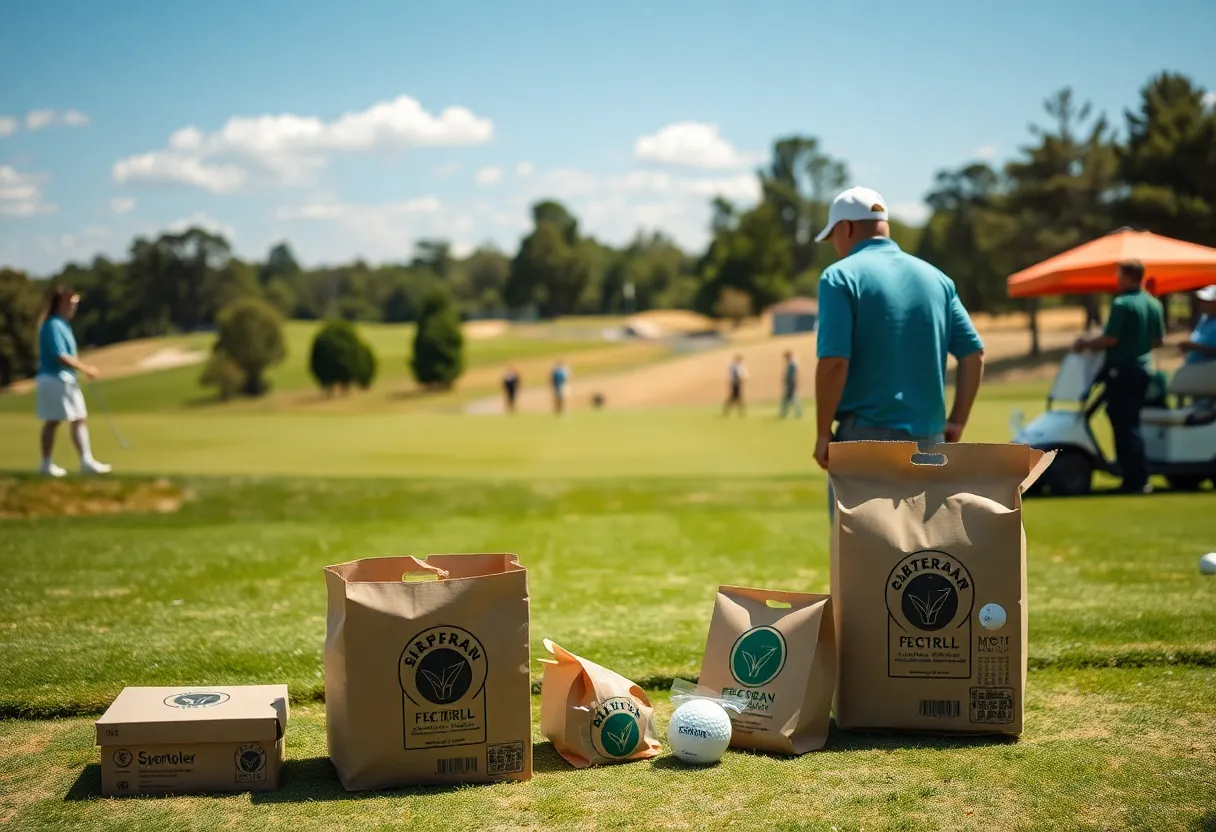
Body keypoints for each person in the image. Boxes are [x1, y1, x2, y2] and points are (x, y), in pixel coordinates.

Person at [813, 186, 985, 482]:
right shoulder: (938, 279)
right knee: (921, 530)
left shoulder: (839, 276)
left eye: (833, 237)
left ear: (847, 228)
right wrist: (956, 421)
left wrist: (822, 431)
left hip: (865, 442)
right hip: (931, 442)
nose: (834, 245)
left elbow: (834, 363)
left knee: (863, 531)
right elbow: (973, 355)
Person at [1073, 259, 1165, 494]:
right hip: (1143, 370)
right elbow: (1158, 341)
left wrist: (1085, 343)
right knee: (1130, 422)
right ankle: (1136, 476)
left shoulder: (1122, 303)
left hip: (1123, 371)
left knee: (1124, 426)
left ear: (1129, 277)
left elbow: (1110, 339)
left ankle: (1135, 478)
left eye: (1119, 275)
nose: (1117, 279)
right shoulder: (1153, 304)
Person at [34, 286, 112, 477]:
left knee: (78, 418)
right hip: (54, 378)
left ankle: (86, 461)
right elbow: (60, 355)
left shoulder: (61, 324)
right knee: (53, 421)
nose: (74, 308)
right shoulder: (53, 325)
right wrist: (85, 369)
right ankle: (47, 464)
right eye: (72, 304)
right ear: (60, 303)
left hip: (64, 379)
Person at [1180, 284, 1216, 365]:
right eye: (1201, 301)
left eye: (1206, 302)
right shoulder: (1204, 317)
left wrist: (1194, 347)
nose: (1201, 304)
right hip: (1195, 367)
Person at [779, 350, 802, 419]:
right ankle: (785, 413)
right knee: (792, 399)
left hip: (791, 384)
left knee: (791, 399)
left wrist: (792, 384)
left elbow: (793, 375)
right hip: (790, 384)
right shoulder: (791, 363)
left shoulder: (792, 364)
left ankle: (784, 413)